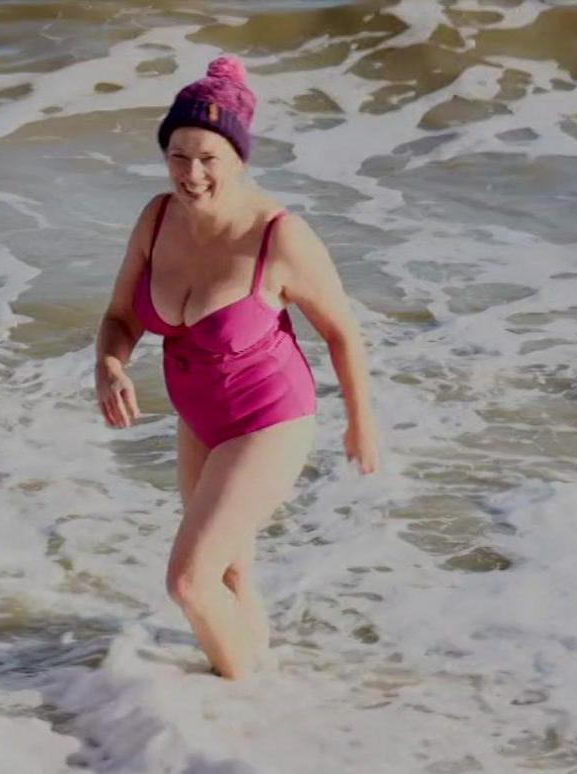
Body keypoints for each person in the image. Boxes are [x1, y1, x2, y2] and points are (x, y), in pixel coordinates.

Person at [94, 55, 379, 680]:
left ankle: (236, 694)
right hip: (200, 420)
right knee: (227, 572)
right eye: (177, 156)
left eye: (208, 158)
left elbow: (341, 332)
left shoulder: (279, 236)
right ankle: (259, 692)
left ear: (239, 158)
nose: (190, 174)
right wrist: (110, 365)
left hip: (269, 420)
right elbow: (120, 317)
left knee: (188, 581)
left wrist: (360, 423)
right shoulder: (156, 218)